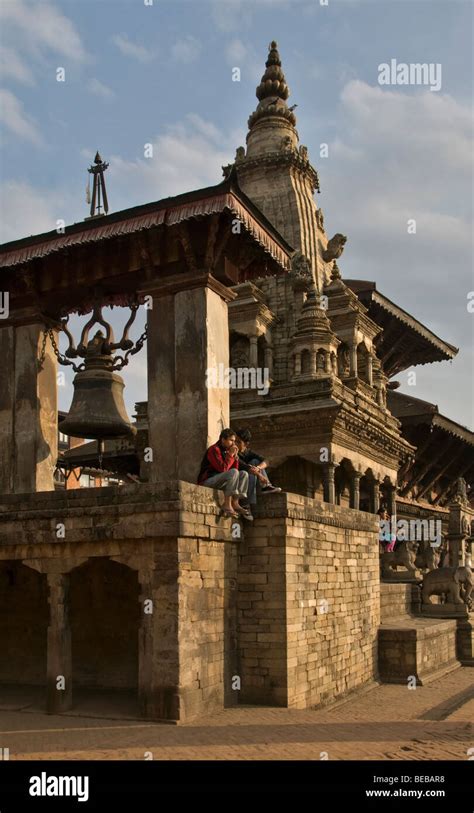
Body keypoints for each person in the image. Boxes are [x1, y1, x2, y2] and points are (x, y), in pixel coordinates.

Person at [198, 428, 252, 520]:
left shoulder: (227, 450)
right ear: (223, 439)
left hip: (220, 481)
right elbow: (223, 469)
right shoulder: (214, 449)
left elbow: (234, 469)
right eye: (231, 440)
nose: (234, 444)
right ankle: (227, 504)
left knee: (243, 474)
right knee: (234, 472)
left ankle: (235, 502)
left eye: (234, 441)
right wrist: (230, 455)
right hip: (207, 481)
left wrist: (235, 458)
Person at [235, 428, 281, 519]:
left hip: (250, 475)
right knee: (250, 473)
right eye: (235, 441)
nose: (235, 444)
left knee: (255, 461)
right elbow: (245, 467)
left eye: (238, 442)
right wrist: (260, 475)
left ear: (246, 444)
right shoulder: (234, 452)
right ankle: (245, 504)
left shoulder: (248, 452)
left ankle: (265, 486)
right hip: (239, 481)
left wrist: (258, 468)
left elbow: (266, 461)